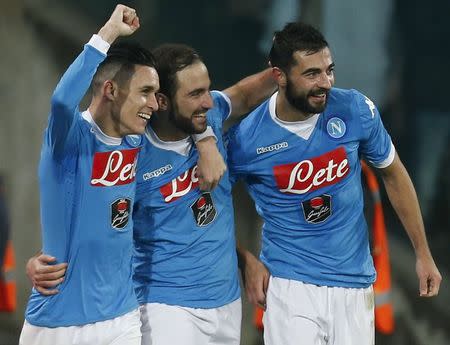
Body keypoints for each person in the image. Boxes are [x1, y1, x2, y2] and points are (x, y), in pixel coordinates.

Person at [26, 43, 276, 344]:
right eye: (195, 94)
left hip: (209, 304)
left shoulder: (202, 122)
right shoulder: (133, 149)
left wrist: (206, 139)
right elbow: (96, 213)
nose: (209, 102)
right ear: (163, 101)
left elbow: (242, 95)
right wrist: (42, 255)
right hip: (159, 305)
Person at [227, 22, 442, 345]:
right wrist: (243, 258)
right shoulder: (247, 140)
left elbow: (393, 173)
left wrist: (422, 253)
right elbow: (206, 204)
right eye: (311, 74)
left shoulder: (354, 109)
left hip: (355, 284)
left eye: (329, 70)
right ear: (279, 77)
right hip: (290, 285)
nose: (325, 82)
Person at [19, 5, 160, 345]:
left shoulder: (137, 143)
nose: (154, 105)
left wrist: (207, 139)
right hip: (57, 321)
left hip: (121, 317)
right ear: (110, 90)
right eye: (145, 92)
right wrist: (107, 33)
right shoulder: (69, 140)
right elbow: (62, 102)